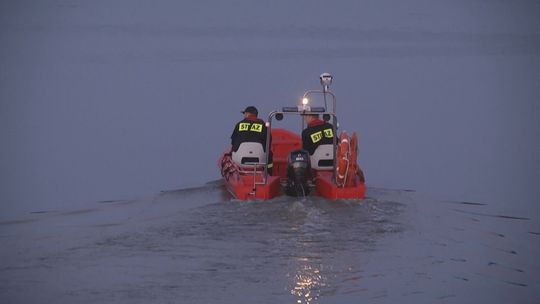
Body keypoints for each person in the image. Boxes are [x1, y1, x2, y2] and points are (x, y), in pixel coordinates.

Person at [230, 106, 272, 173]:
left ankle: (234, 173)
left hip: (239, 158)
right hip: (259, 159)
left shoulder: (239, 124)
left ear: (247, 114)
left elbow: (233, 141)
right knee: (270, 154)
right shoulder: (263, 125)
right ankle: (269, 173)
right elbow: (268, 142)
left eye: (244, 113)